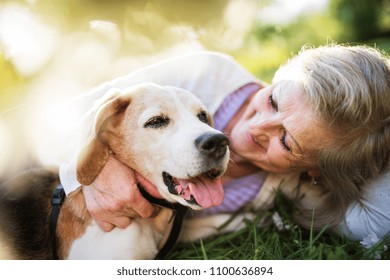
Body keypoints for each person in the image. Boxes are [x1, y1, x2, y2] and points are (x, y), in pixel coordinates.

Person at [59, 44, 390, 243]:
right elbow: (54, 118)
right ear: (279, 75)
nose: (255, 128)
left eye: (286, 141)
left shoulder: (299, 189)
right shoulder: (206, 73)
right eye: (273, 101)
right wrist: (90, 169)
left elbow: (380, 221)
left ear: (315, 170)